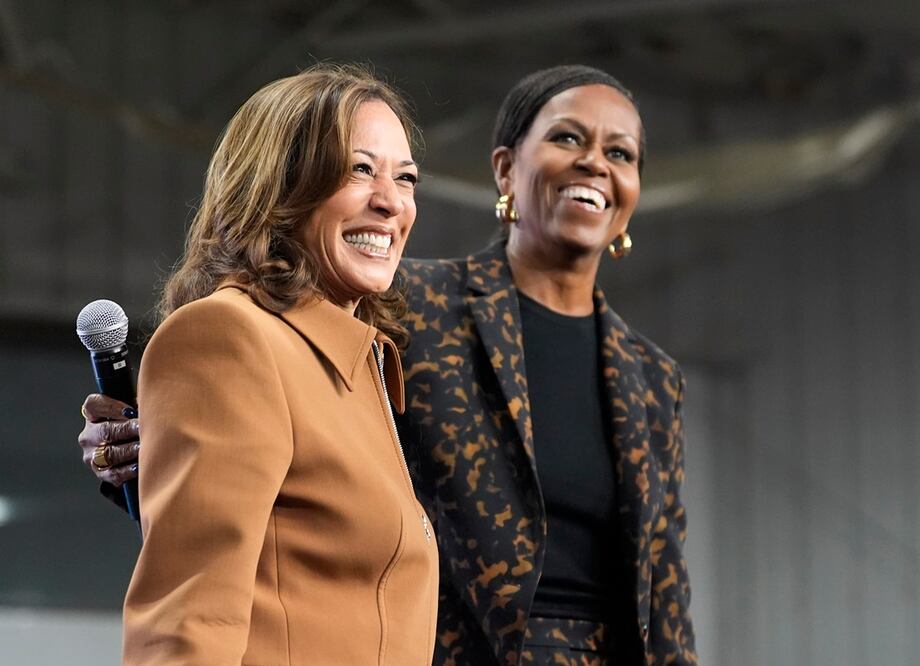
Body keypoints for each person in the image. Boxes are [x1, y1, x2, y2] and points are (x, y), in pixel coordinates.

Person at [80, 65, 696, 665]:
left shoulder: (649, 377)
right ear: (506, 168)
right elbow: (229, 483)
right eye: (567, 137)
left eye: (623, 152)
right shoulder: (407, 311)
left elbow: (663, 591)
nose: (596, 162)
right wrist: (148, 443)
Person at [94, 64, 439, 664]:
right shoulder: (227, 336)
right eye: (359, 169)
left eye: (404, 179)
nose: (390, 202)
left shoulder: (361, 368)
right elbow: (189, 615)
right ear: (280, 185)